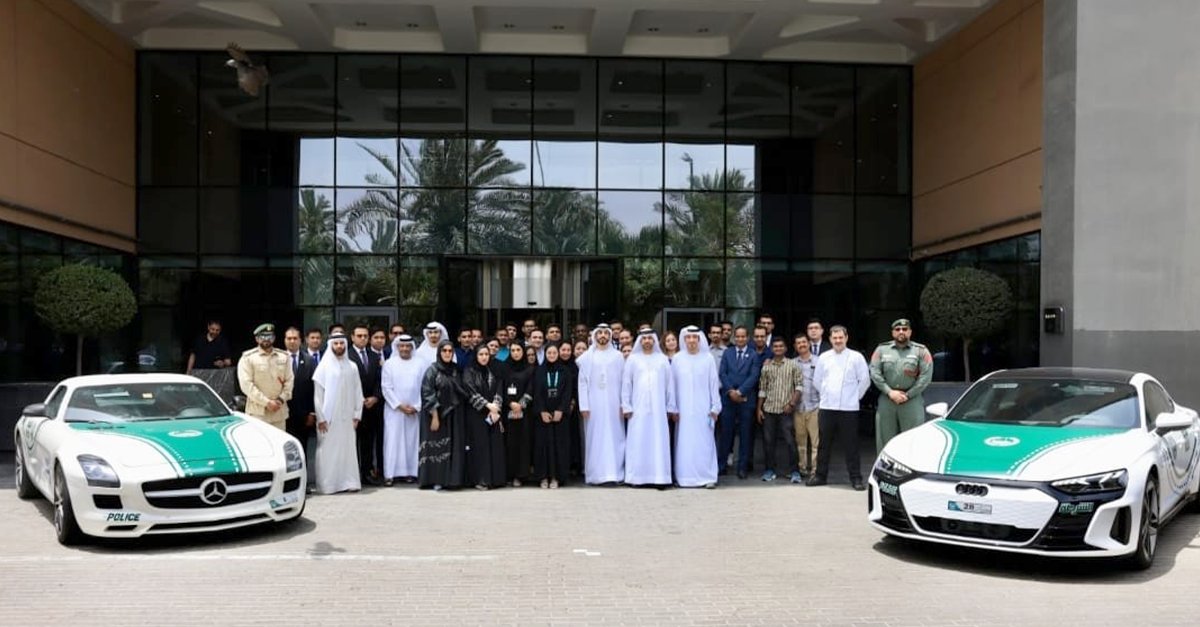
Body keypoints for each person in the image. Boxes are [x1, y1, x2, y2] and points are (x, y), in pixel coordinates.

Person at [809, 325, 870, 490]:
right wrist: (826, 394)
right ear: (830, 339)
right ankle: (820, 476)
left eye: (840, 338)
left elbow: (865, 380)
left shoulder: (856, 357)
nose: (837, 341)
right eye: (834, 338)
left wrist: (854, 397)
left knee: (851, 445)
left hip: (849, 409)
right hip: (827, 407)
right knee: (824, 444)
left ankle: (856, 478)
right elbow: (817, 380)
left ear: (846, 338)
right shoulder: (824, 357)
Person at [621, 329, 676, 488]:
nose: (647, 341)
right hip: (637, 409)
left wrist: (670, 406)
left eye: (649, 338)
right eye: (643, 338)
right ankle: (637, 478)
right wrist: (626, 406)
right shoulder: (633, 359)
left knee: (658, 442)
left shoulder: (662, 359)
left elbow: (669, 385)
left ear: (654, 340)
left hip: (659, 410)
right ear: (640, 340)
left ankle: (660, 478)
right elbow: (626, 384)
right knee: (638, 441)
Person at [869, 318, 934, 452]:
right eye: (897, 329)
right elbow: (874, 372)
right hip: (887, 399)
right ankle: (886, 470)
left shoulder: (921, 351)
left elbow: (925, 377)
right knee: (885, 440)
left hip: (912, 400)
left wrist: (908, 395)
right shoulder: (881, 350)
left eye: (905, 329)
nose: (901, 332)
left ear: (910, 332)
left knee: (913, 440)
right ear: (893, 333)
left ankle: (913, 471)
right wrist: (889, 392)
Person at [312, 332, 363, 495]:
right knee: (328, 451)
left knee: (348, 450)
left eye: (342, 343)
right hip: (328, 418)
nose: (339, 346)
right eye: (336, 344)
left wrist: (357, 415)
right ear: (331, 345)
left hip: (347, 417)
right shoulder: (323, 367)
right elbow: (318, 396)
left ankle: (349, 482)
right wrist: (321, 418)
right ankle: (328, 485)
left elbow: (358, 391)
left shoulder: (352, 366)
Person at [672, 326, 721, 488]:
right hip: (683, 410)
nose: (692, 340)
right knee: (684, 443)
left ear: (699, 340)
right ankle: (684, 477)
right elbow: (672, 386)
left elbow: (714, 384)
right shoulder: (678, 359)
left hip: (704, 409)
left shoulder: (707, 358)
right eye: (688, 337)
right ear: (684, 340)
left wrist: (715, 407)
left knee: (704, 442)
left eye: (695, 337)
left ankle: (707, 477)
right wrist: (673, 408)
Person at [577, 324, 626, 485]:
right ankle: (595, 475)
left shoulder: (618, 356)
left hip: (614, 404)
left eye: (606, 333)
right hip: (593, 406)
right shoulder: (587, 357)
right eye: (600, 333)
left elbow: (623, 382)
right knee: (595, 438)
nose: (603, 336)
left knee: (615, 437)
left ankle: (614, 474)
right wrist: (584, 405)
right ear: (595, 336)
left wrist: (623, 404)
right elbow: (582, 382)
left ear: (610, 336)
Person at [418, 341, 469, 491]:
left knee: (454, 446)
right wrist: (435, 415)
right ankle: (436, 480)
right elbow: (427, 393)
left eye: (449, 351)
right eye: (444, 351)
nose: (447, 353)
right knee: (438, 448)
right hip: (437, 415)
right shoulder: (432, 370)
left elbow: (462, 390)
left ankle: (453, 481)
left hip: (455, 415)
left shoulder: (456, 370)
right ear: (439, 352)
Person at [756, 337, 802, 484]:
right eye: (775, 346)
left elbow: (799, 386)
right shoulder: (766, 367)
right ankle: (769, 470)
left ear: (786, 348)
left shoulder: (793, 365)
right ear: (772, 349)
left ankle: (795, 471)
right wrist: (759, 409)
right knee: (768, 442)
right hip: (769, 409)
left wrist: (792, 404)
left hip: (785, 410)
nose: (778, 349)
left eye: (781, 346)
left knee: (790, 442)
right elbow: (762, 389)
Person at [718, 326, 761, 479]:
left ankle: (742, 468)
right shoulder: (727, 353)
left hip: (746, 400)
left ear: (748, 338)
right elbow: (722, 373)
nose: (740, 339)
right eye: (738, 337)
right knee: (726, 434)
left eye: (743, 337)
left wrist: (740, 392)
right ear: (734, 338)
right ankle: (721, 466)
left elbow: (754, 376)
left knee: (745, 435)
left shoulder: (754, 355)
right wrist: (731, 391)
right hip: (728, 399)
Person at [462, 345, 506, 490]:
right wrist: (488, 405)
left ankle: (495, 480)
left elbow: (499, 388)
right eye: (481, 354)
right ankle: (481, 480)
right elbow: (470, 391)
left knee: (494, 446)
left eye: (486, 354)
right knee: (480, 448)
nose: (484, 357)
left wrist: (496, 407)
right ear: (476, 356)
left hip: (493, 415)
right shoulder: (469, 371)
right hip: (477, 415)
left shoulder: (492, 371)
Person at [381, 334, 423, 485]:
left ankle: (411, 473)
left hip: (414, 411)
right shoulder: (389, 364)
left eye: (407, 346)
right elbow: (386, 388)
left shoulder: (420, 364)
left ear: (412, 347)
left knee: (411, 442)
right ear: (397, 347)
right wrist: (399, 405)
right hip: (395, 411)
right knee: (393, 442)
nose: (405, 349)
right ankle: (390, 474)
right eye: (402, 346)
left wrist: (416, 406)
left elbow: (424, 387)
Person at [236, 323, 293, 431]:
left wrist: (280, 400)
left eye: (269, 336)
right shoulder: (248, 358)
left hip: (279, 413)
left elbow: (289, 381)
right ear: (257, 339)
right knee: (259, 446)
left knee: (278, 445)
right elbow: (246, 385)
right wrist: (266, 402)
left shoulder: (284, 357)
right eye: (263, 337)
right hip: (258, 413)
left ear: (274, 338)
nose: (266, 339)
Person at [533, 344, 574, 489]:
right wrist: (542, 411)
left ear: (558, 354)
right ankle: (543, 477)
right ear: (545, 354)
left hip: (559, 415)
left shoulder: (565, 371)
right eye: (549, 352)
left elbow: (568, 393)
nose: (551, 355)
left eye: (554, 352)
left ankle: (557, 477)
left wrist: (561, 410)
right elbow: (536, 393)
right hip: (543, 416)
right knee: (543, 446)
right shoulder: (539, 371)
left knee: (559, 446)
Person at [349, 325, 384, 485]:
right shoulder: (347, 356)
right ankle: (353, 474)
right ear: (352, 337)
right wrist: (359, 399)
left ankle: (367, 473)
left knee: (368, 443)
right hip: (352, 408)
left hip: (371, 407)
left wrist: (375, 397)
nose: (362, 338)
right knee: (352, 443)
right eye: (359, 335)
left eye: (365, 336)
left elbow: (379, 380)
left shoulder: (374, 356)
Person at [500, 342, 535, 487]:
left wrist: (521, 405)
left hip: (525, 413)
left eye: (518, 350)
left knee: (523, 444)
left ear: (523, 351)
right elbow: (500, 387)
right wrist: (510, 403)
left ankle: (521, 475)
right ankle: (509, 474)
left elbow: (531, 388)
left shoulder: (530, 369)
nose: (515, 353)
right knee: (509, 443)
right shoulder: (504, 368)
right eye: (513, 350)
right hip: (507, 412)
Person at [792, 335, 820, 478]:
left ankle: (815, 470)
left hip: (815, 406)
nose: (801, 345)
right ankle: (802, 468)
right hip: (798, 408)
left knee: (815, 442)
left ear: (809, 344)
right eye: (798, 343)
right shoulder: (791, 363)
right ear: (795, 346)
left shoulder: (819, 361)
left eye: (803, 342)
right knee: (800, 442)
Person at [282, 326, 316, 448]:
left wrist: (312, 413)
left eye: (295, 338)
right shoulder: (278, 359)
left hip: (303, 415)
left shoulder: (309, 360)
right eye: (289, 338)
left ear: (300, 340)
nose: (292, 341)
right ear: (285, 340)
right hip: (282, 413)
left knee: (302, 448)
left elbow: (314, 388)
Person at [562, 341, 585, 475]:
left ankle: (576, 465)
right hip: (561, 407)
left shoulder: (575, 367)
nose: (565, 353)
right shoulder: (556, 365)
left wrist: (573, 401)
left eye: (568, 350)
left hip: (575, 406)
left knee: (575, 436)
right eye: (563, 350)